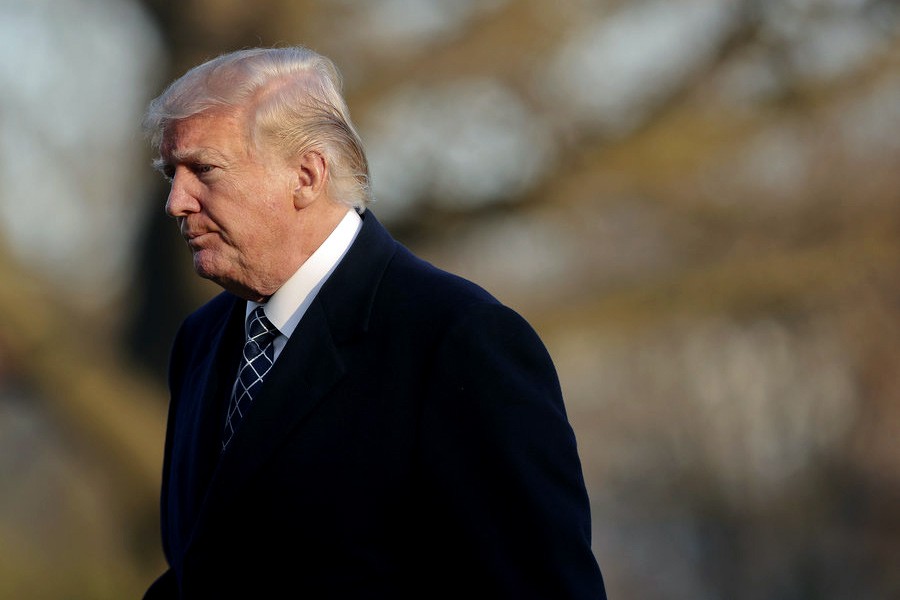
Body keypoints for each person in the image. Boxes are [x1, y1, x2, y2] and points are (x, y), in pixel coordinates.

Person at [141, 46, 606, 599]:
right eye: (172, 172)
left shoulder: (457, 340)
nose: (176, 201)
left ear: (307, 176)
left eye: (204, 169)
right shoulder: (202, 340)